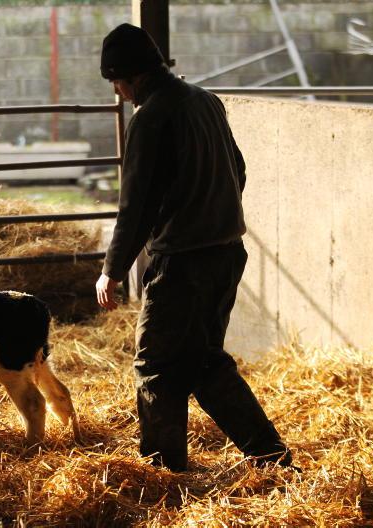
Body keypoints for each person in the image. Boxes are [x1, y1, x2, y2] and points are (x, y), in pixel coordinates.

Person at [95, 23, 293, 472]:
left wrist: (112, 269)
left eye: (116, 81)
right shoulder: (206, 101)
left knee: (156, 367)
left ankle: (163, 472)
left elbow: (136, 206)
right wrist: (213, 212)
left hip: (183, 263)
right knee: (205, 363)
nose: (116, 91)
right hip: (227, 252)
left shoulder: (151, 118)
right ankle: (271, 456)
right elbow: (238, 169)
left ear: (131, 76)